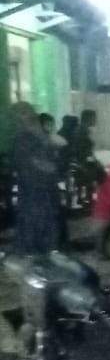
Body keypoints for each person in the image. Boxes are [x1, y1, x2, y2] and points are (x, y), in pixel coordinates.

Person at [9, 102, 62, 254]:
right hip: (35, 186)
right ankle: (37, 249)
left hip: (37, 186)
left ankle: (37, 248)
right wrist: (51, 168)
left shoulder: (30, 137)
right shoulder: (24, 139)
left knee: (39, 216)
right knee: (37, 216)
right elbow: (39, 162)